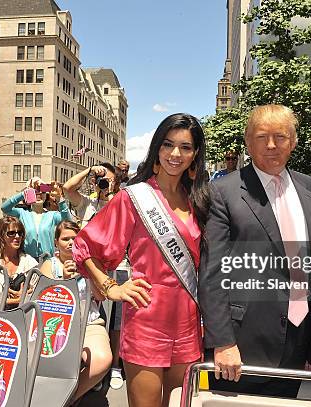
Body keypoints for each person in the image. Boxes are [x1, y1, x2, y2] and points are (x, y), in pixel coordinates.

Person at [199, 104, 311, 398]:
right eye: (262, 136)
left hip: (299, 340)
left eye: (281, 136)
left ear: (294, 141)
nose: (272, 145)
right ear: (248, 142)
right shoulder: (223, 192)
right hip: (240, 346)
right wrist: (222, 342)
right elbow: (211, 272)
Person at [73, 113, 210, 407]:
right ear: (157, 148)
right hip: (147, 316)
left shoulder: (198, 199)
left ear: (195, 153)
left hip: (188, 321)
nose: (175, 154)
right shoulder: (133, 197)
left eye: (185, 147)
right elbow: (86, 245)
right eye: (168, 144)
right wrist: (111, 286)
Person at [40, 220, 112, 401]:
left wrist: (88, 272)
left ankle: (69, 398)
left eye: (75, 238)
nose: (71, 243)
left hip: (89, 322)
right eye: (65, 239)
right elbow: (44, 299)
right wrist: (64, 280)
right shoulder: (50, 265)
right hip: (56, 325)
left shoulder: (90, 263)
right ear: (56, 242)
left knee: (102, 360)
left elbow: (101, 296)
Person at [1, 177, 71, 260]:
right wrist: (23, 194)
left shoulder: (52, 215)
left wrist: (60, 198)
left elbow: (67, 221)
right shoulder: (22, 213)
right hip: (26, 260)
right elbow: (5, 208)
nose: (39, 194)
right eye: (35, 192)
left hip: (47, 260)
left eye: (43, 192)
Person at [63, 163, 116, 228]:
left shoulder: (119, 203)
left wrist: (110, 193)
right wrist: (90, 169)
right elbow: (67, 188)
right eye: (104, 180)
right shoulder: (87, 202)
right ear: (94, 181)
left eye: (110, 180)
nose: (107, 184)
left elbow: (115, 216)